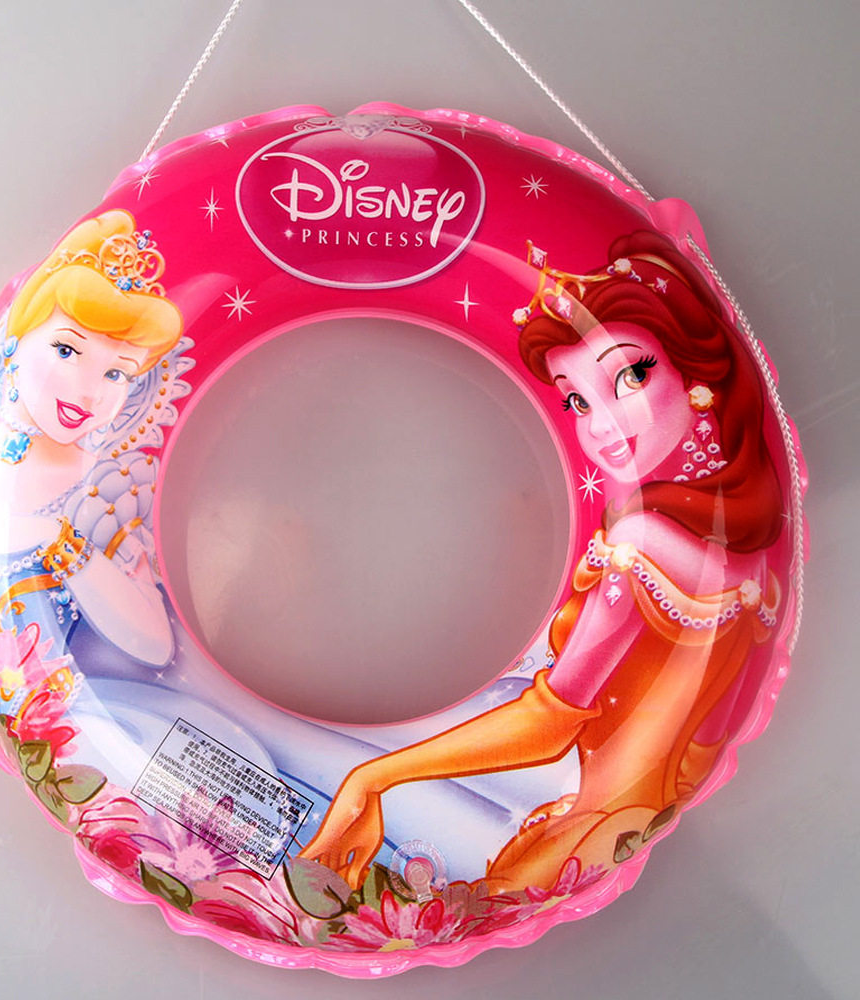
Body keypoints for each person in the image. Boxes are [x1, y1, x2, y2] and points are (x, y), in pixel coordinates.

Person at [301, 231, 783, 894]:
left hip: (591, 830)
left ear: (697, 377)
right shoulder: (742, 548)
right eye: (577, 401)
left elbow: (549, 722)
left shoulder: (642, 542)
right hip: (637, 819)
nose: (602, 427)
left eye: (632, 376)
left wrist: (372, 778)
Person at [0, 210, 186, 667]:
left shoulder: (106, 492)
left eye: (116, 373)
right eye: (67, 350)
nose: (89, 391)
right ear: (16, 341)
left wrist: (57, 538)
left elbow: (156, 646)